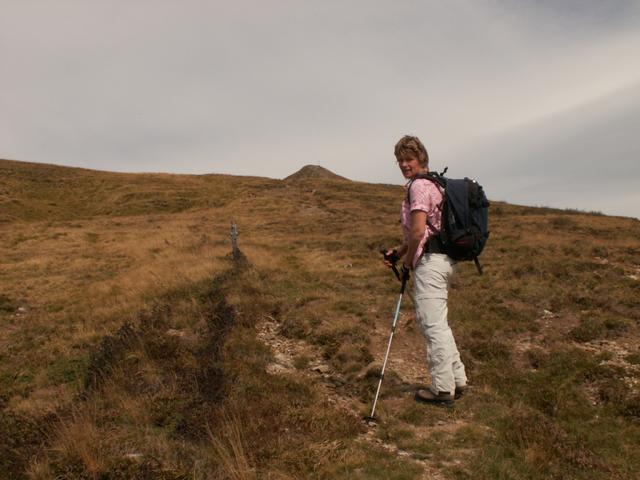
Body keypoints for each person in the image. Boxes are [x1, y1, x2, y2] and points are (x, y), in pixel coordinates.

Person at [384, 135, 467, 406]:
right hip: (442, 260)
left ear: (421, 159)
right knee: (439, 323)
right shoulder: (434, 184)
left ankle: (443, 390)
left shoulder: (419, 186)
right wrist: (398, 253)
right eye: (400, 160)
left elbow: (419, 231)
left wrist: (408, 264)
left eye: (408, 159)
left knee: (432, 326)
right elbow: (422, 233)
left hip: (430, 264)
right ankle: (457, 380)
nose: (404, 164)